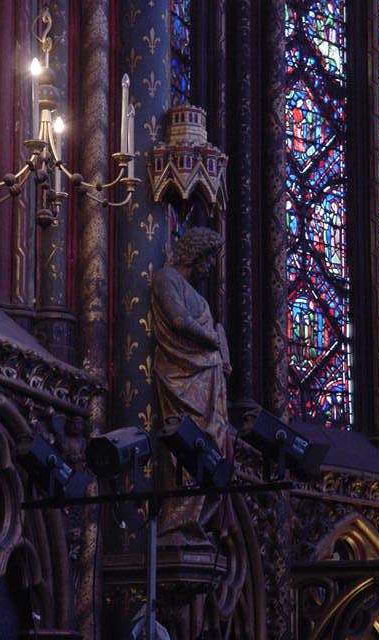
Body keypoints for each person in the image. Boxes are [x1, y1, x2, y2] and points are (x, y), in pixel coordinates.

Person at [152, 226, 231, 547]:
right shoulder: (166, 279)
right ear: (194, 254)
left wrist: (219, 346)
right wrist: (214, 339)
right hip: (182, 377)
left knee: (212, 446)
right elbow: (178, 320)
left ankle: (197, 524)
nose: (210, 267)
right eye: (209, 259)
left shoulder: (194, 293)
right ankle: (177, 525)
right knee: (188, 446)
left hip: (208, 379)